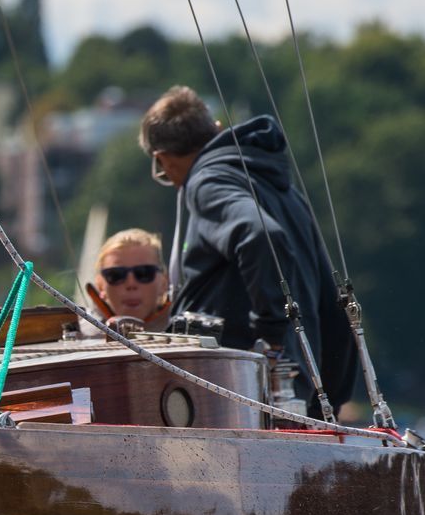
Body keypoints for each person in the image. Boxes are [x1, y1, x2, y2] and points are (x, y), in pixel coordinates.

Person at [139, 85, 356, 415]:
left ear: (162, 159)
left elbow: (260, 235)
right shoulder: (284, 192)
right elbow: (331, 305)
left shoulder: (207, 183)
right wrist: (327, 404)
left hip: (238, 391)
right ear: (217, 129)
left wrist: (270, 337)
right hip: (290, 394)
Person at [86, 228, 171, 329]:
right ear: (100, 286)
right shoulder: (76, 333)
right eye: (116, 275)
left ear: (164, 283)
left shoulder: (187, 331)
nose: (131, 284)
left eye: (144, 273)